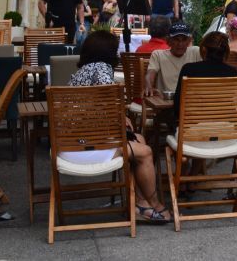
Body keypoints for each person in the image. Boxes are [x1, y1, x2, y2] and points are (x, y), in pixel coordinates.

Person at [67, 31, 171, 224]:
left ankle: (140, 203)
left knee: (138, 139)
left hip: (70, 143)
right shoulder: (102, 68)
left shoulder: (82, 72)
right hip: (88, 147)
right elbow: (109, 98)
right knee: (145, 152)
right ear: (108, 52)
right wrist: (120, 115)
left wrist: (120, 116)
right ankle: (155, 205)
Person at [173, 31, 237, 119]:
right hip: (225, 128)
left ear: (204, 49)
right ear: (225, 51)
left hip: (193, 127)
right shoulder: (232, 72)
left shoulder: (189, 69)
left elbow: (178, 106)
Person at [144, 22, 202, 96]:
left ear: (188, 41)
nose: (180, 44)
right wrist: (148, 85)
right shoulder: (158, 54)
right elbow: (150, 73)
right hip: (164, 103)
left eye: (184, 40)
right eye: (176, 39)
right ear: (169, 41)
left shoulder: (196, 52)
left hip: (190, 102)